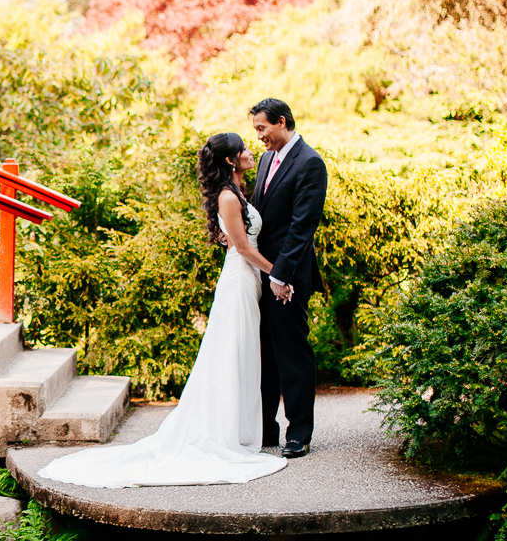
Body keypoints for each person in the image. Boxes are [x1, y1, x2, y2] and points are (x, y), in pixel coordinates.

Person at [37, 130, 287, 488]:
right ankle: (222, 433)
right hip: (239, 280)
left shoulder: (237, 193)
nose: (250, 151)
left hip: (246, 281)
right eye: (243, 149)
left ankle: (239, 429)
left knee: (241, 353)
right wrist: (278, 274)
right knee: (230, 353)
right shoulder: (229, 197)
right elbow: (244, 248)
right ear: (231, 160)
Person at [248, 98, 327, 458]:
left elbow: (302, 227)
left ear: (282, 122)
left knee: (292, 354)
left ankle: (299, 434)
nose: (259, 137)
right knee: (264, 354)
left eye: (263, 129)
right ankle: (266, 429)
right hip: (261, 272)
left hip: (288, 278)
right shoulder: (266, 160)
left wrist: (280, 276)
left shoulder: (310, 163)